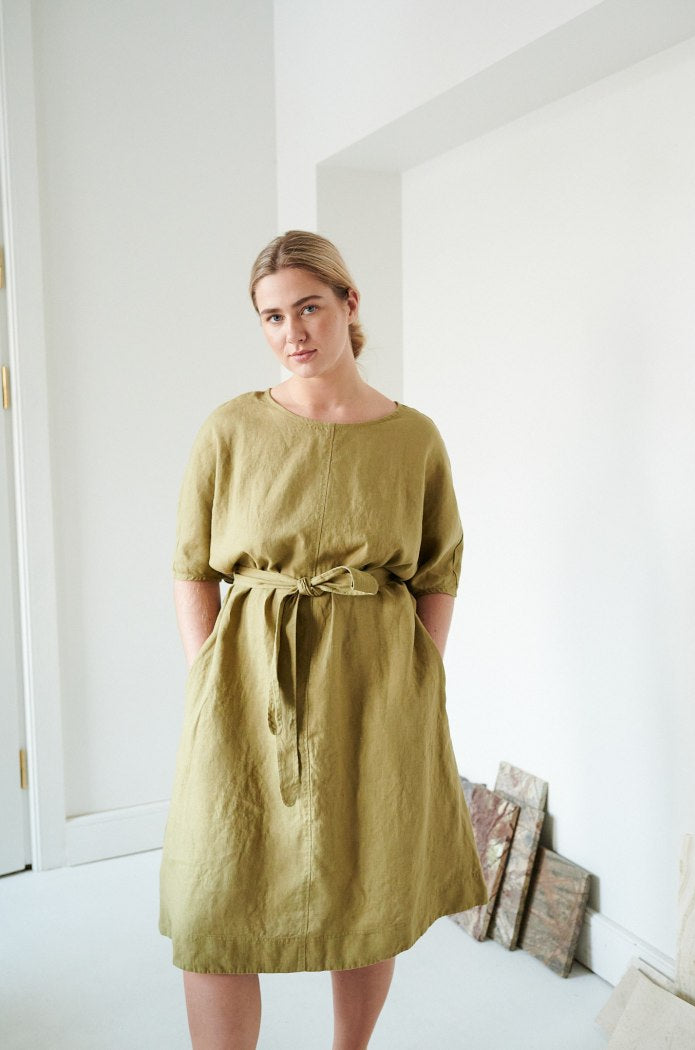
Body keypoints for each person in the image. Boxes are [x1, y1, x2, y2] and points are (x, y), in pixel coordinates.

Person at [158, 230, 488, 1049]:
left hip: (377, 687)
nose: (292, 332)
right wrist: (209, 677)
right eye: (272, 317)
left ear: (349, 303)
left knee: (366, 882)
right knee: (214, 898)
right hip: (247, 684)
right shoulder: (230, 429)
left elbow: (439, 569)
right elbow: (192, 565)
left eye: (308, 307)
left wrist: (416, 674)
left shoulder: (413, 437)